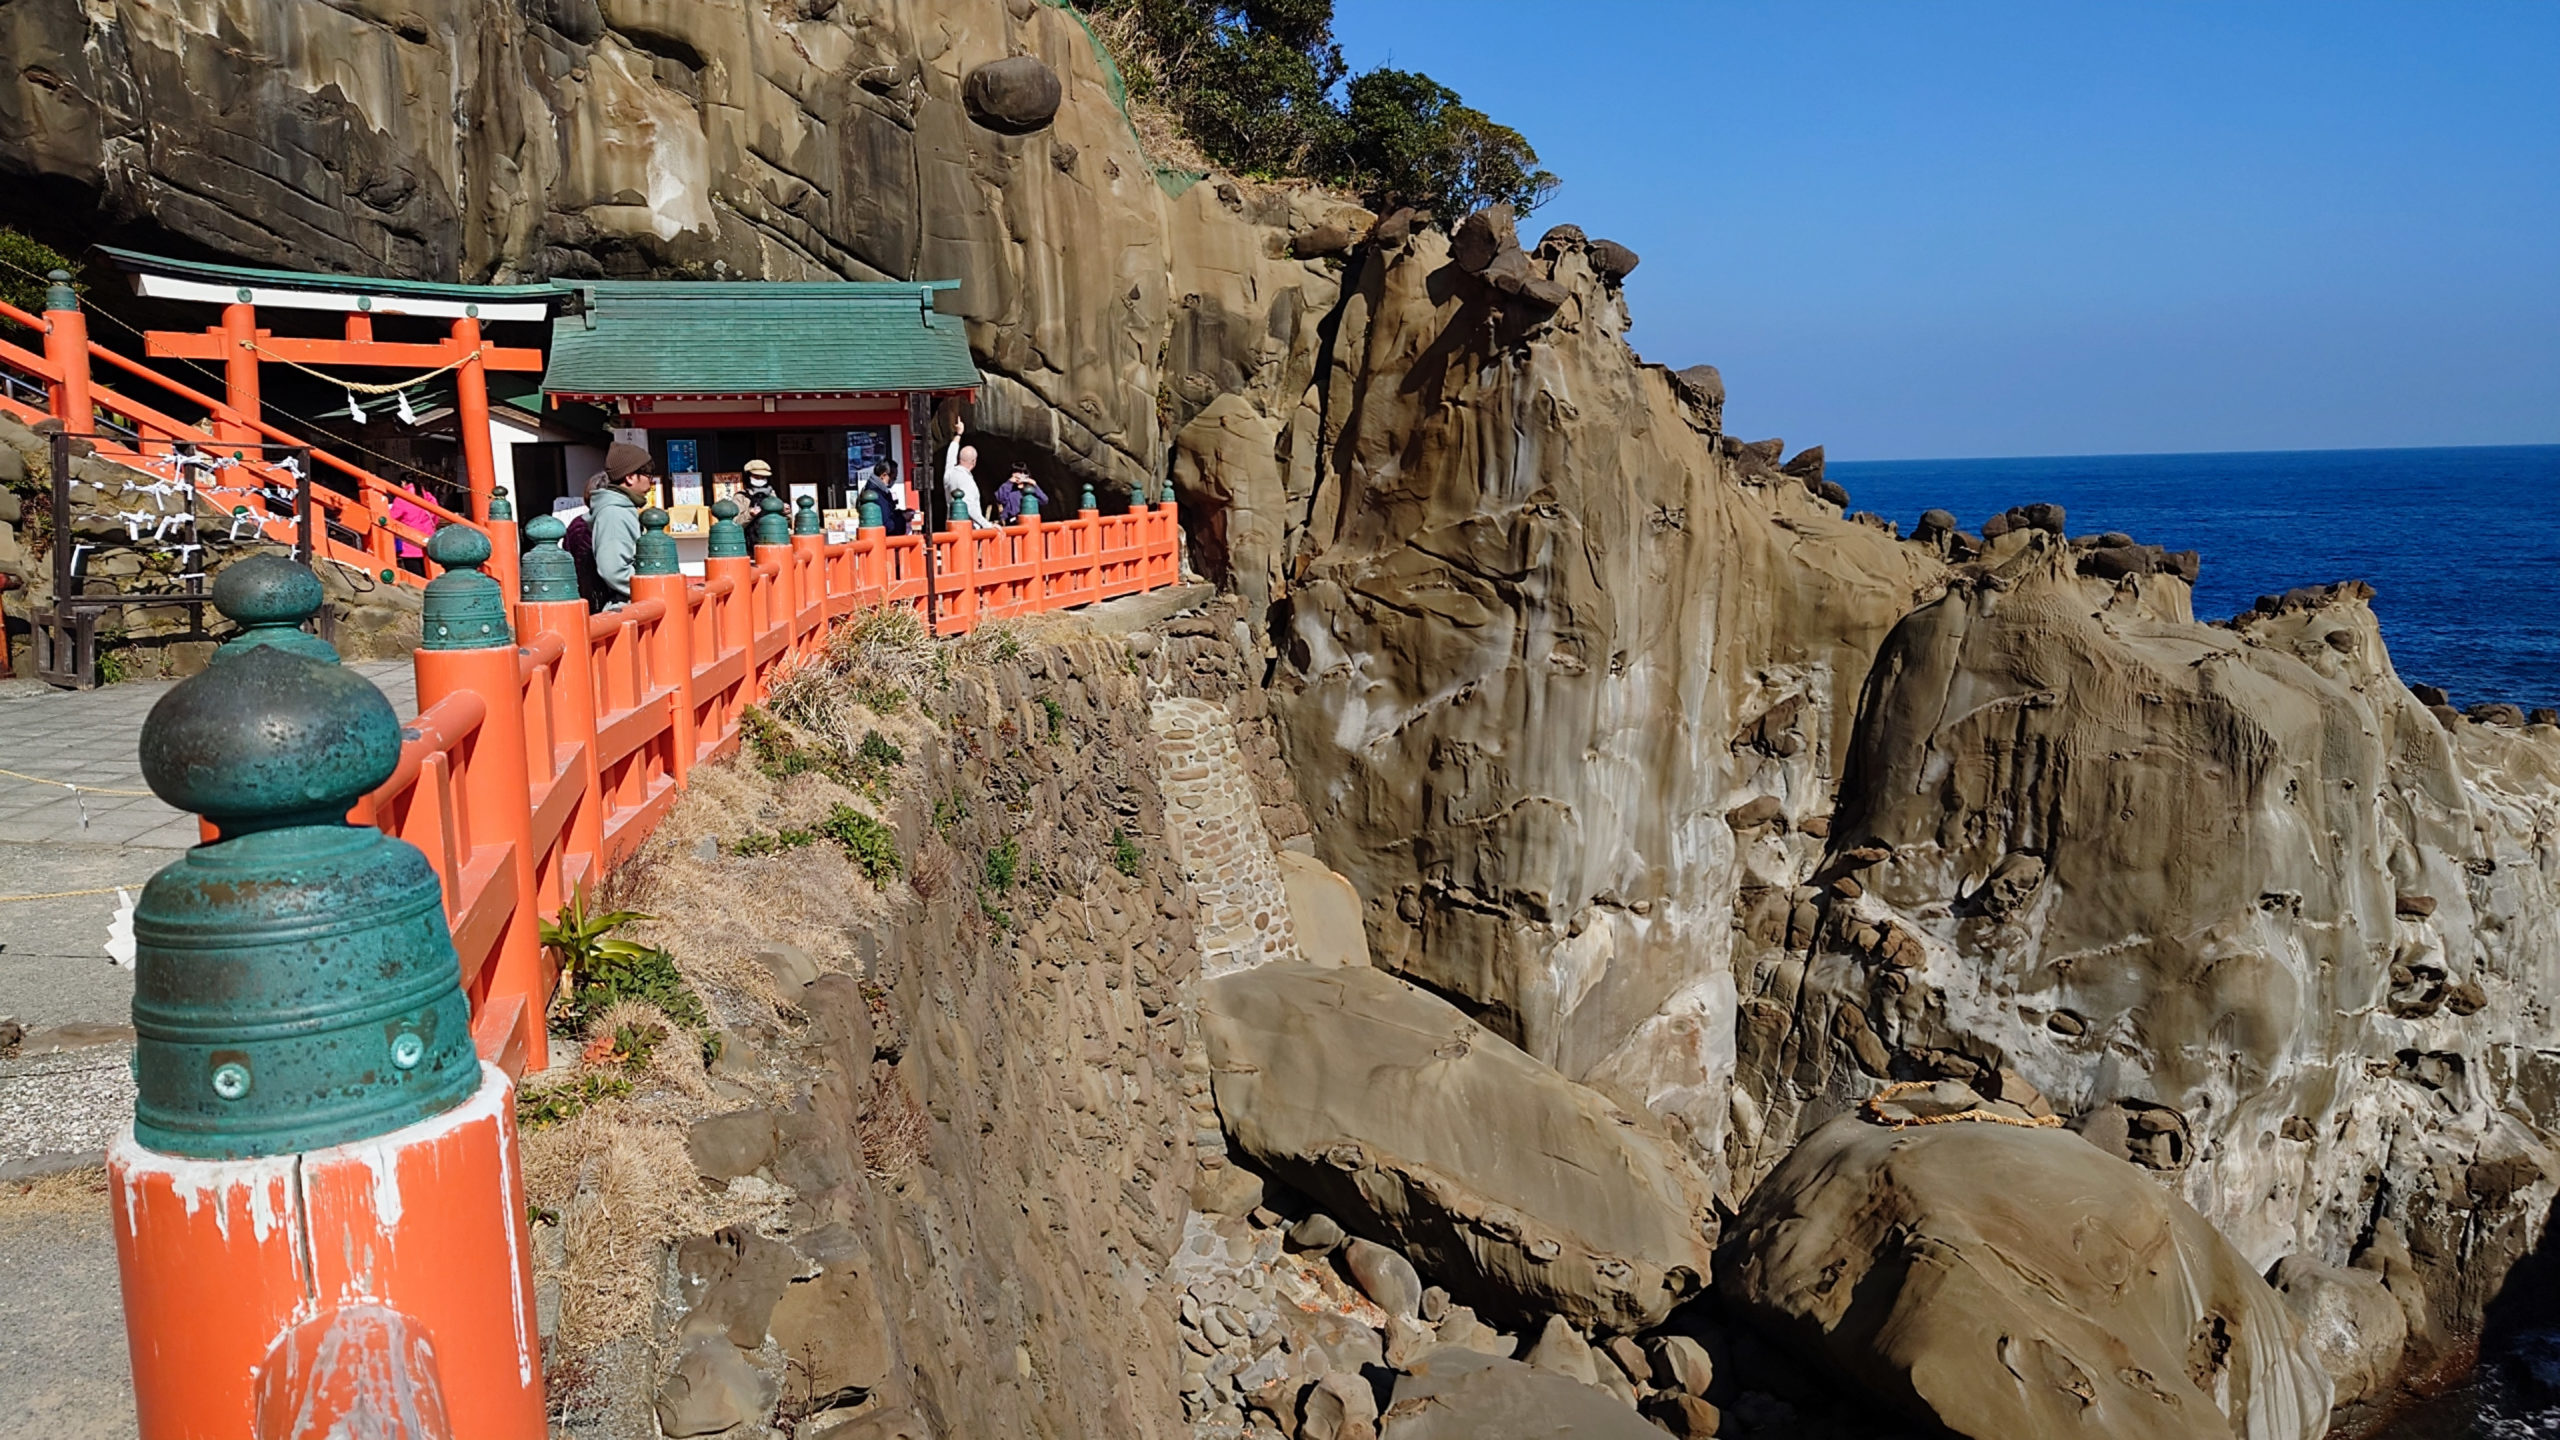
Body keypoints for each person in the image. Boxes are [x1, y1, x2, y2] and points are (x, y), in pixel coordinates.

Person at [585, 441, 655, 608]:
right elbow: (614, 570)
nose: (651, 482)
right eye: (649, 474)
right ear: (630, 477)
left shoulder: (621, 509)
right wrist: (651, 589)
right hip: (625, 607)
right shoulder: (614, 513)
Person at [942, 417, 995, 529]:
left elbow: (950, 455)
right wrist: (987, 525)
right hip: (968, 529)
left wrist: (958, 434)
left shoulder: (949, 473)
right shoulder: (967, 481)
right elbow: (969, 507)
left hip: (951, 525)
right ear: (974, 461)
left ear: (959, 458)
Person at [858, 459, 911, 535]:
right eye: (893, 478)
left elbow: (888, 513)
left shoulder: (879, 491)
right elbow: (887, 524)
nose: (893, 481)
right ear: (884, 475)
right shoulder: (875, 494)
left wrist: (901, 513)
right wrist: (903, 519)